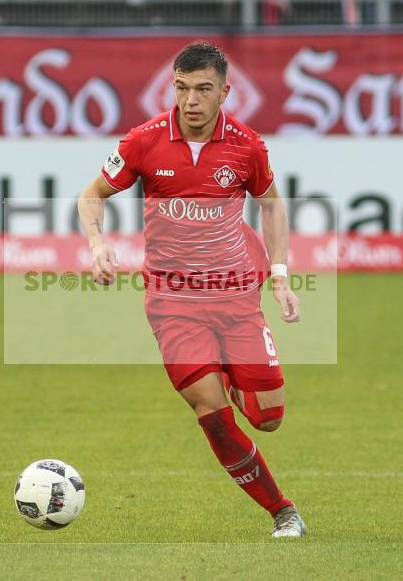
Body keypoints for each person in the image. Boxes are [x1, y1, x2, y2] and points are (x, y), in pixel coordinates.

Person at [77, 42, 306, 538]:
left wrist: (281, 276)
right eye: (182, 88)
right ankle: (283, 511)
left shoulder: (247, 147)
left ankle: (227, 366)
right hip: (173, 302)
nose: (191, 100)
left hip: (234, 296)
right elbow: (91, 194)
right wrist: (97, 243)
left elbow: (272, 206)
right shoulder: (144, 141)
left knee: (268, 418)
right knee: (212, 411)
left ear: (225, 92)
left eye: (203, 89)